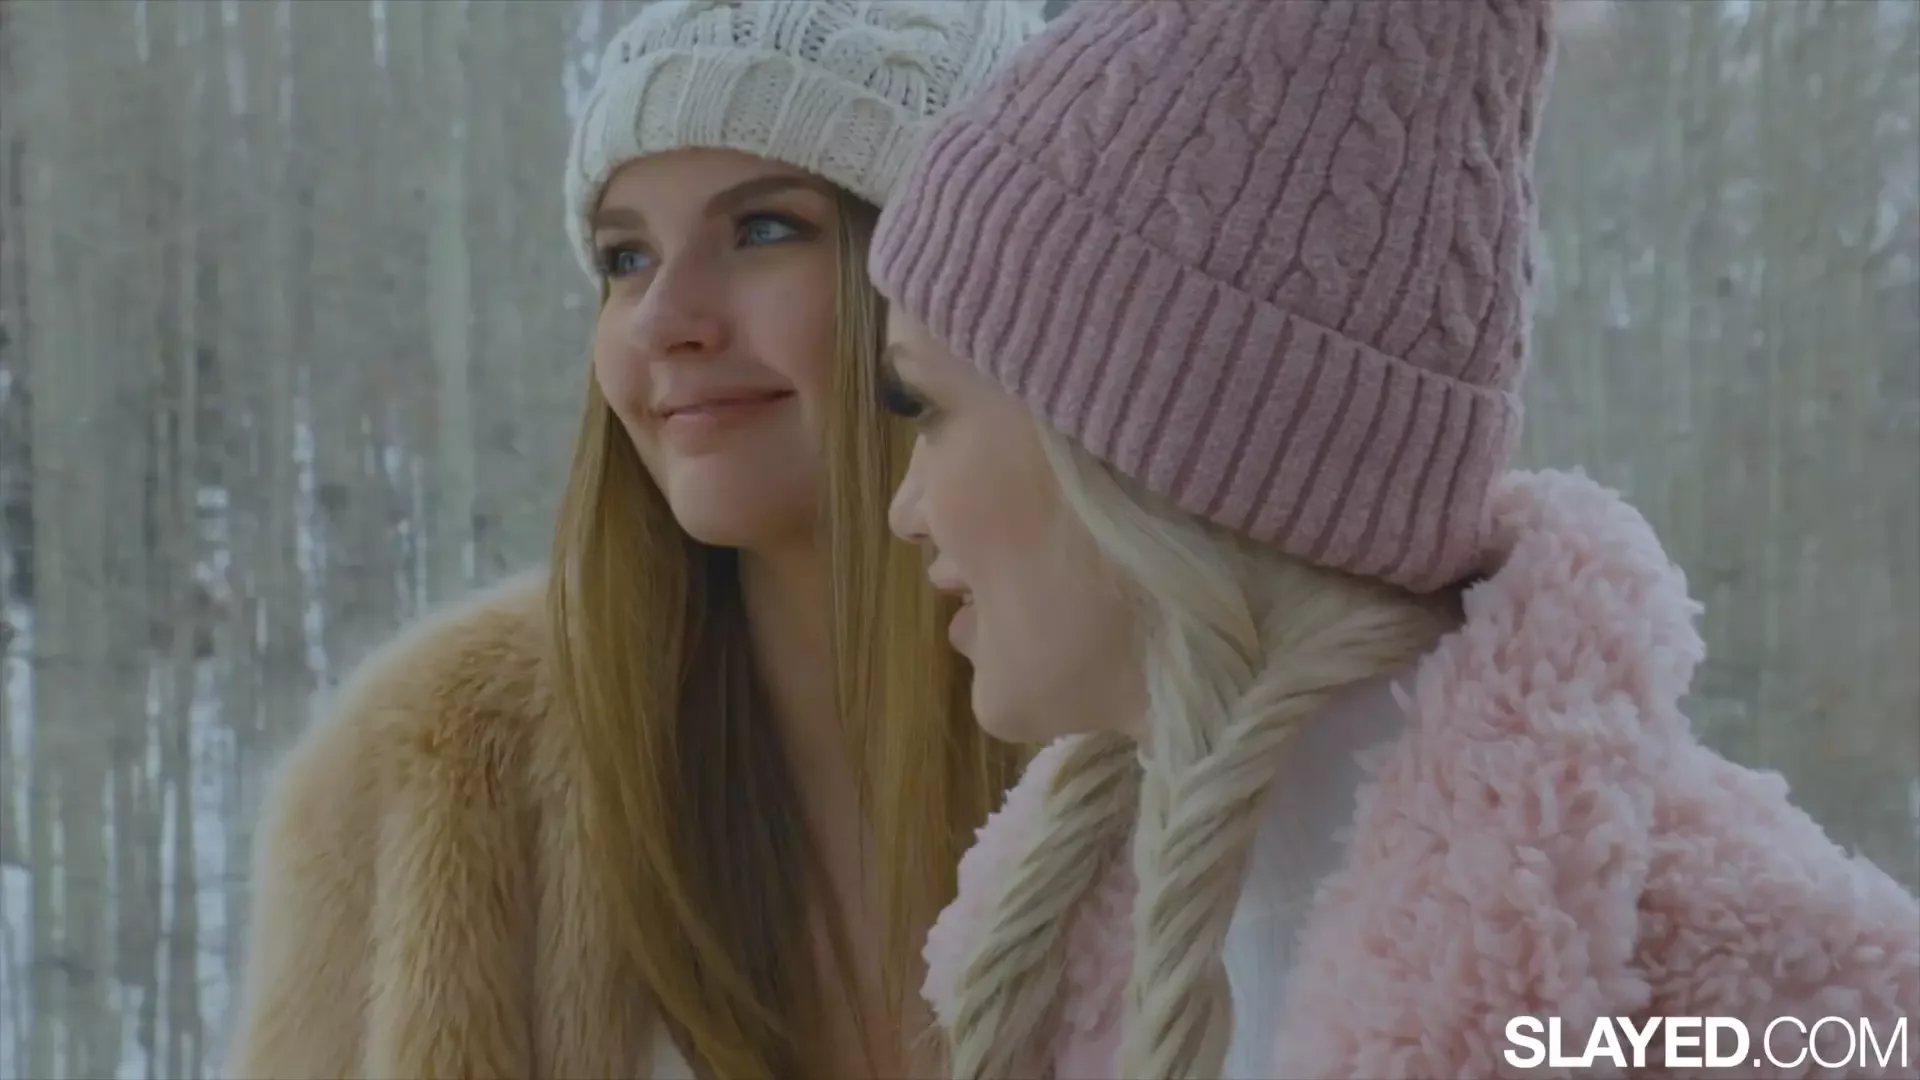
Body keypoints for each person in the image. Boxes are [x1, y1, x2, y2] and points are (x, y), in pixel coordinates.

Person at [869, 1, 1920, 1077]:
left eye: (925, 405)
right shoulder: (1063, 950)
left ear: (1159, 455)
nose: (905, 509)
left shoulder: (1786, 1006)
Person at [224, 2, 1042, 1077]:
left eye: (764, 230)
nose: (661, 319)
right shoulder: (434, 765)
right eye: (624, 257)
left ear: (964, 291)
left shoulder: (1188, 737)